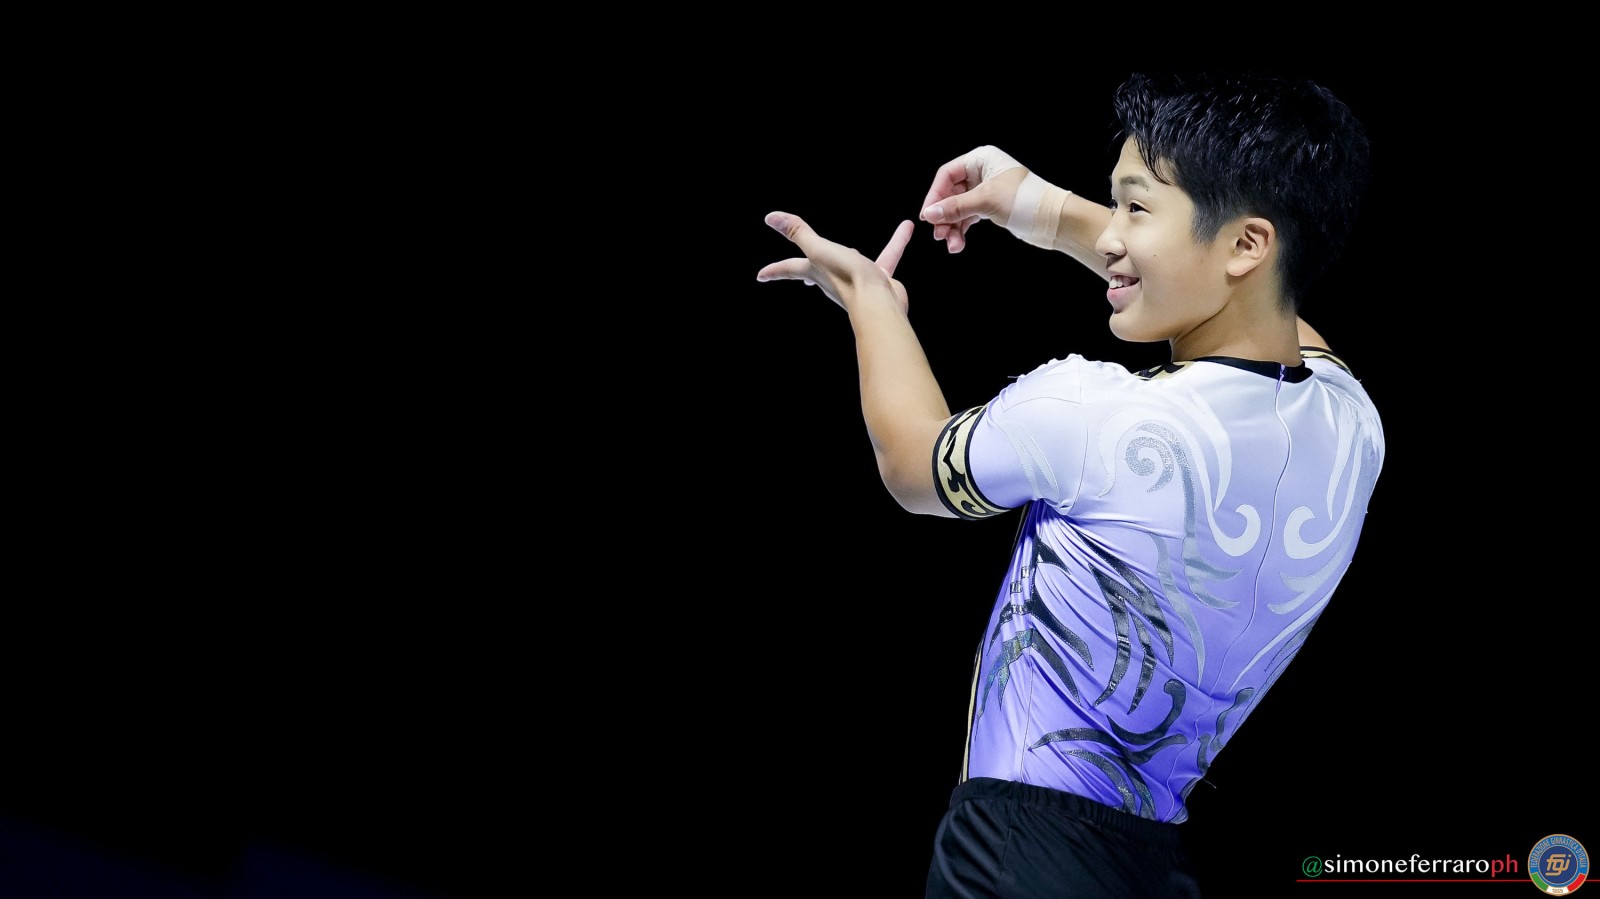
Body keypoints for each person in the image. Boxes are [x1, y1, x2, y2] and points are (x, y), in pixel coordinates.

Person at [756, 72, 1384, 898]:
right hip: (1155, 869)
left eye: (1136, 208)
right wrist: (1039, 208)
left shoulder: (1090, 414)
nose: (1111, 233)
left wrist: (871, 301)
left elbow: (915, 463)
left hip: (1017, 852)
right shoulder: (1350, 422)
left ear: (1246, 243)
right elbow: (1270, 312)